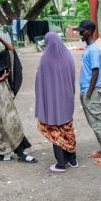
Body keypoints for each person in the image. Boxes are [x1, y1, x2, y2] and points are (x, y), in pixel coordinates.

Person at [0, 33, 37, 163]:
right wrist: (0, 78)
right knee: (10, 122)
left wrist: (0, 39)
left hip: (5, 95)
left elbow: (11, 50)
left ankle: (0, 153)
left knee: (1, 124)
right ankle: (21, 153)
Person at [75, 19, 101, 166]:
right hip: (87, 90)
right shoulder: (89, 48)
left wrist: (89, 93)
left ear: (90, 32)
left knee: (98, 122)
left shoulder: (93, 50)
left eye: (82, 31)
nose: (80, 33)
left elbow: (95, 72)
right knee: (93, 122)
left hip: (90, 91)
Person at [35, 32, 77, 173]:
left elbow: (40, 82)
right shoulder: (68, 56)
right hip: (67, 100)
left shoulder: (45, 59)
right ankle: (72, 160)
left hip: (53, 102)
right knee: (67, 128)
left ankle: (60, 163)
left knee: (55, 129)